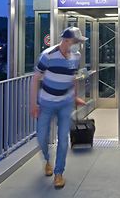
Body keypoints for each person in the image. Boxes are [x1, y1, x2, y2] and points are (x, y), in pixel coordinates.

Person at [30, 27, 87, 189]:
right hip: (46, 103)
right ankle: (47, 160)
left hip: (65, 103)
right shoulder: (47, 55)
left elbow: (73, 78)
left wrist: (75, 96)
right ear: (67, 40)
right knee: (42, 138)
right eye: (76, 42)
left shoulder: (76, 56)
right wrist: (33, 104)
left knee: (63, 140)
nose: (78, 45)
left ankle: (58, 173)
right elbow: (35, 79)